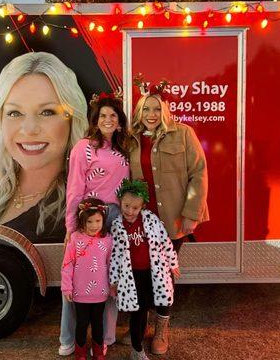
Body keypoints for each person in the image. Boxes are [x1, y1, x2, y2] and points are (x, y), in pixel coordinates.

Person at [0, 52, 89, 243]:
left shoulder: (86, 200)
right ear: (0, 120)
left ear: (72, 120)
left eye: (47, 112)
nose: (29, 129)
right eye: (14, 113)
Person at [128, 78, 209, 354]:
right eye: (146, 109)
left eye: (156, 109)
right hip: (142, 223)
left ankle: (162, 327)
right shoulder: (131, 140)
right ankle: (144, 324)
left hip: (173, 221)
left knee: (163, 275)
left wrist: (191, 214)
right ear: (139, 112)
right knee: (143, 272)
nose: (151, 114)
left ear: (165, 111)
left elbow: (198, 173)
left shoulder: (183, 133)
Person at [59, 91, 132, 356]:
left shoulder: (123, 149)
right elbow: (74, 188)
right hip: (90, 214)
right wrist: (71, 226)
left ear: (120, 121)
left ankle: (106, 336)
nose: (108, 120)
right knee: (77, 275)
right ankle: (69, 338)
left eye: (113, 115)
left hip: (116, 217)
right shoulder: (84, 148)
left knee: (110, 276)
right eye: (103, 115)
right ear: (96, 119)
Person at [109, 178, 180, 360]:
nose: (130, 211)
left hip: (154, 273)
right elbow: (115, 256)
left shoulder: (151, 220)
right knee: (138, 313)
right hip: (132, 277)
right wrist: (114, 280)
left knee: (160, 302)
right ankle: (137, 348)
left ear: (142, 207)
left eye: (135, 208)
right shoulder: (117, 225)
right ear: (120, 202)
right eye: (126, 206)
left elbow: (164, 241)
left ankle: (160, 332)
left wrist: (173, 263)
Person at [61, 198, 113, 360]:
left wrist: (113, 285)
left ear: (103, 220)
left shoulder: (108, 239)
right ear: (82, 221)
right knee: (82, 324)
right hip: (80, 292)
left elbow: (111, 264)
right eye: (89, 221)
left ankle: (98, 352)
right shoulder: (75, 238)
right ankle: (80, 353)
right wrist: (67, 287)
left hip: (100, 292)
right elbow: (67, 264)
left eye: (98, 220)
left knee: (98, 324)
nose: (94, 225)